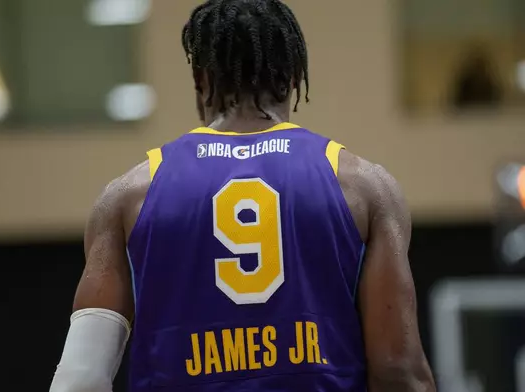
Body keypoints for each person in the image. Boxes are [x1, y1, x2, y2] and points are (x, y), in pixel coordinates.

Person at [50, 1, 436, 391]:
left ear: (201, 79)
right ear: (295, 74)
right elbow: (396, 370)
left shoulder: (127, 196)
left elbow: (81, 379)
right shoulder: (364, 187)